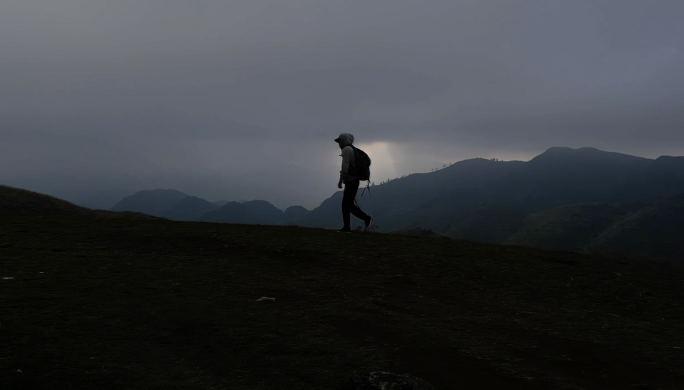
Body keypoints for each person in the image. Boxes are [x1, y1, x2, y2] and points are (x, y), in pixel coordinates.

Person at [335, 133, 374, 233]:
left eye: (340, 141)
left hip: (351, 180)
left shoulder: (346, 150)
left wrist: (340, 181)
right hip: (354, 180)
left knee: (346, 204)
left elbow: (345, 167)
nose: (339, 143)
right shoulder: (352, 150)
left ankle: (352, 225)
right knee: (349, 205)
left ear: (344, 140)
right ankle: (357, 222)